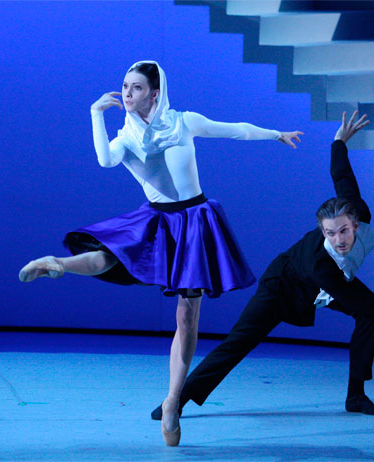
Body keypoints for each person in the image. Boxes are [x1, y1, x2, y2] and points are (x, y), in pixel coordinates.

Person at [18, 60, 303, 446]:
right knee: (108, 256)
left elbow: (235, 130)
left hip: (195, 221)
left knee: (187, 317)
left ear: (155, 92)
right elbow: (104, 159)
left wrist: (276, 134)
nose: (127, 93)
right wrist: (94, 113)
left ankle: (173, 401)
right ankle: (57, 263)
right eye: (124, 86)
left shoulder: (183, 122)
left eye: (135, 87)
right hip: (159, 219)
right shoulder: (126, 136)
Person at [150, 111, 374, 423]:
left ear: (356, 222)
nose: (339, 240)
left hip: (330, 280)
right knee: (238, 342)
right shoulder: (321, 265)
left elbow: (342, 177)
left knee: (369, 317)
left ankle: (356, 395)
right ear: (321, 231)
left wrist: (339, 141)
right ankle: (177, 400)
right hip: (282, 286)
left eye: (344, 231)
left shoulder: (358, 212)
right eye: (329, 233)